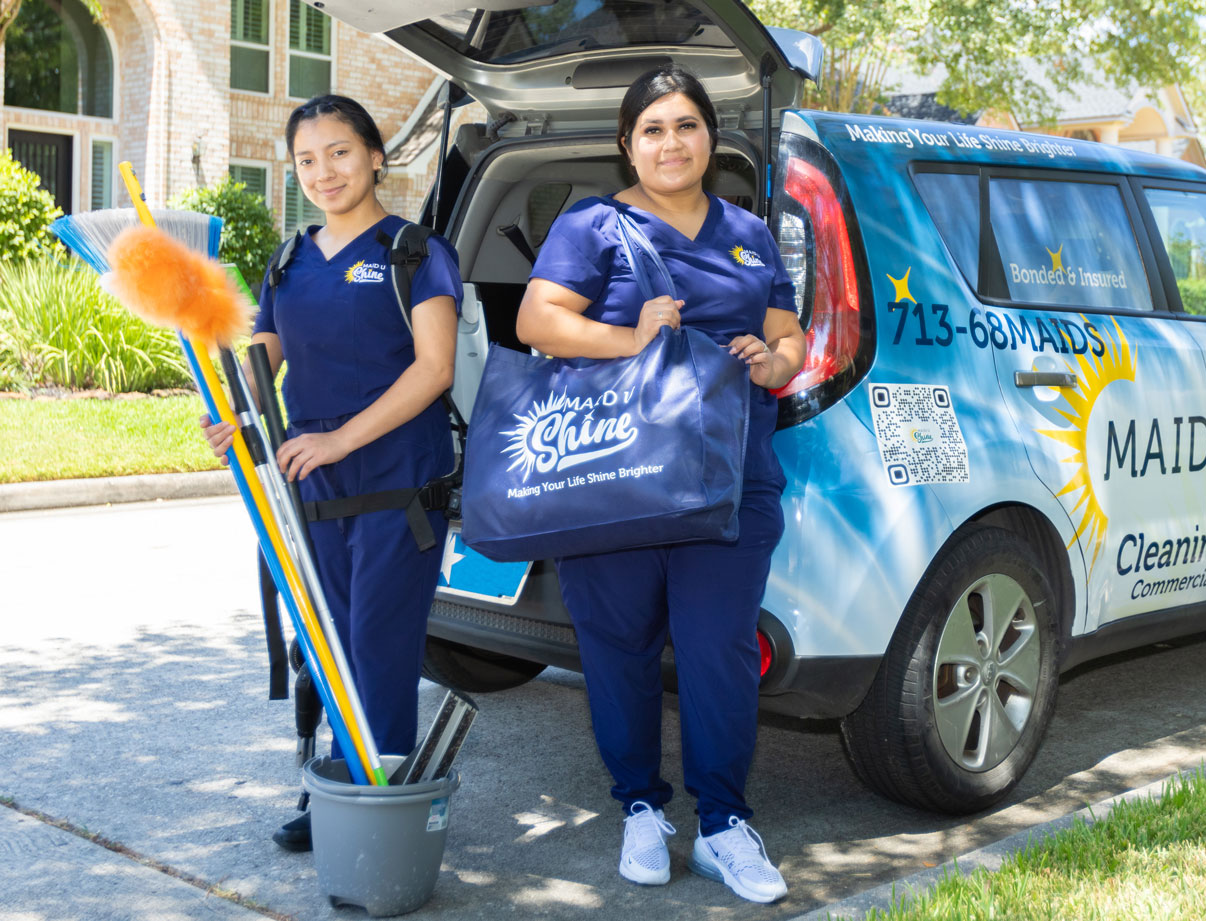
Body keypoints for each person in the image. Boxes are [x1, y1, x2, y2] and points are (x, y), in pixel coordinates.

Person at [515, 63, 807, 904]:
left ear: (711, 137)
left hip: (730, 482)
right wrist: (630, 338)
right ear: (626, 145)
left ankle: (723, 823)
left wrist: (770, 359)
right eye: (652, 129)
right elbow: (538, 319)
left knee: (719, 652)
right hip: (617, 477)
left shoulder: (750, 232)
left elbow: (789, 334)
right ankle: (641, 806)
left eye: (685, 125)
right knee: (619, 650)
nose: (670, 142)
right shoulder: (592, 225)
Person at [201, 94, 461, 852]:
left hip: (397, 489)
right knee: (328, 644)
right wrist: (238, 418)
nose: (325, 172)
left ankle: (372, 804)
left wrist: (342, 438)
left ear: (377, 156)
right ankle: (339, 789)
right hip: (313, 493)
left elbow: (435, 368)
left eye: (340, 152)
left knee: (379, 644)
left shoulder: (413, 251)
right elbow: (264, 362)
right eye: (307, 160)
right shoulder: (288, 260)